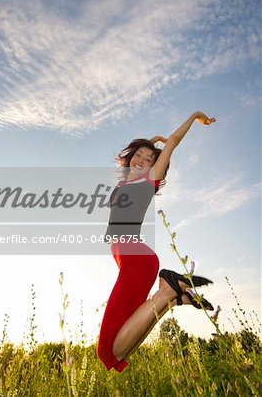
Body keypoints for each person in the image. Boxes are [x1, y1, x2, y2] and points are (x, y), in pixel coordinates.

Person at [96, 111, 216, 372]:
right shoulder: (129, 179)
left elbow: (172, 142)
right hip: (133, 259)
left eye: (149, 159)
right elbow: (140, 156)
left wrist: (194, 117)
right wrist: (151, 143)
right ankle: (173, 298)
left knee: (108, 350)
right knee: (123, 344)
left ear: (155, 166)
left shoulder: (148, 180)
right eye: (138, 154)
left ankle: (170, 289)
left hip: (135, 258)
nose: (142, 160)